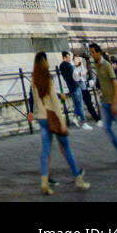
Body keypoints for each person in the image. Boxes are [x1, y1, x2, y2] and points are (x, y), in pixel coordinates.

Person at [27, 51, 90, 195]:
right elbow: (54, 103)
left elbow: (34, 99)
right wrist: (62, 121)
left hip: (42, 119)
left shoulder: (33, 79)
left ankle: (44, 183)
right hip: (53, 117)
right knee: (66, 149)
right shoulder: (47, 78)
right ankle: (79, 179)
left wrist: (33, 113)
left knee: (46, 152)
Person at [58, 50, 87, 127]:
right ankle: (83, 121)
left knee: (77, 104)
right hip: (75, 86)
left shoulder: (61, 66)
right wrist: (81, 73)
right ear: (64, 57)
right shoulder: (68, 65)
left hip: (70, 87)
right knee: (79, 104)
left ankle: (74, 117)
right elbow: (75, 75)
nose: (69, 58)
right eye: (68, 57)